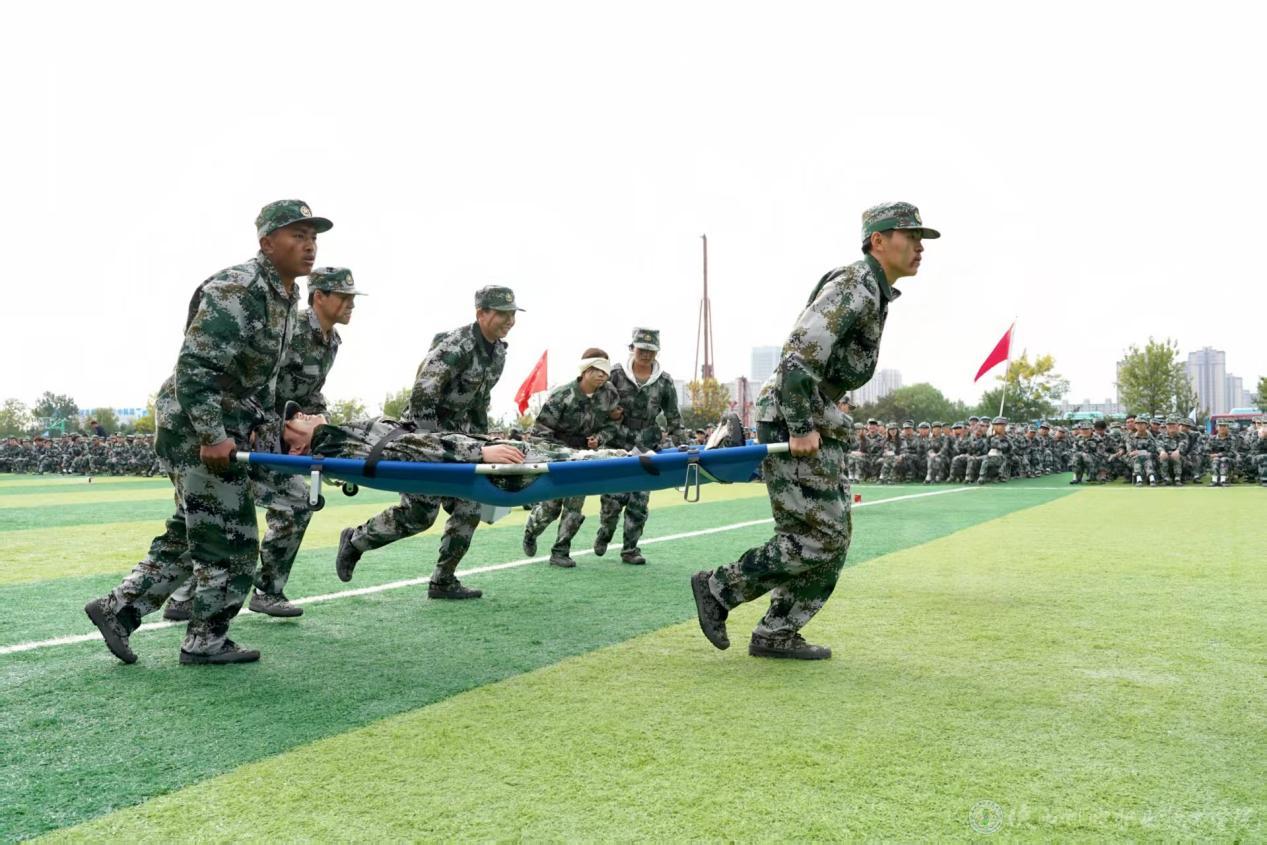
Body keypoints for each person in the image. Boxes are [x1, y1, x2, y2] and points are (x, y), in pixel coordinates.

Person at [84, 198, 329, 665]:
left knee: (191, 532)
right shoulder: (239, 288)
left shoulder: (284, 294)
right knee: (232, 539)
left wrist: (268, 425)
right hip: (195, 426)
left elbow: (260, 380)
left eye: (313, 237)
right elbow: (195, 367)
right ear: (267, 242)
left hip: (224, 424)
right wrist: (212, 434)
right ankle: (205, 639)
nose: (309, 246)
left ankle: (118, 610)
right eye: (298, 235)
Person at [691, 201, 938, 660]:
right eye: (911, 236)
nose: (920, 247)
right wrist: (802, 426)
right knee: (821, 534)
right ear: (878, 240)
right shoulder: (854, 285)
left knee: (829, 535)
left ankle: (777, 631)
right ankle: (719, 586)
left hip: (817, 417)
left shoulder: (875, 291)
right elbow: (797, 358)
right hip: (795, 417)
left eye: (921, 239)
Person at [164, 266, 366, 621]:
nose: (351, 304)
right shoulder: (294, 329)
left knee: (286, 503)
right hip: (240, 428)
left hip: (272, 436)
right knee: (208, 510)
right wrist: (254, 426)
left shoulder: (331, 342)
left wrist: (322, 426)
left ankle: (259, 590)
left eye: (352, 298)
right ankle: (191, 595)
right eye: (344, 297)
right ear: (319, 296)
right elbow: (256, 378)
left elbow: (309, 395)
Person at [336, 285, 522, 599]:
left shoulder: (498, 353)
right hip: (425, 437)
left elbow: (480, 403)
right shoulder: (456, 345)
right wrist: (433, 447)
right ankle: (355, 541)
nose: (509, 320)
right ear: (481, 313)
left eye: (513, 314)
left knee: (469, 507)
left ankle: (443, 581)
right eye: (502, 313)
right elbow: (422, 396)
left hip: (461, 441)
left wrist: (480, 444)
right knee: (420, 514)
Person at [594, 328, 688, 565]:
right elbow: (597, 405)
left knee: (639, 502)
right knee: (612, 501)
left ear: (657, 352)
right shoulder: (615, 374)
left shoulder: (664, 381)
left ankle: (630, 549)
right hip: (617, 444)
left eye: (651, 350)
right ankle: (605, 533)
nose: (646, 354)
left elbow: (673, 417)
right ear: (632, 348)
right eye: (641, 349)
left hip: (647, 446)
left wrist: (684, 446)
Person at [522, 349, 623, 568]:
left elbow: (613, 423)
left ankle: (561, 551)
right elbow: (540, 433)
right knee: (550, 508)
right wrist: (559, 454)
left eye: (605, 371)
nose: (602, 375)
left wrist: (600, 438)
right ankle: (531, 530)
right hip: (557, 457)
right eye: (596, 369)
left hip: (584, 458)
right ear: (585, 370)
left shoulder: (609, 394)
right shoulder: (562, 395)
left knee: (574, 506)